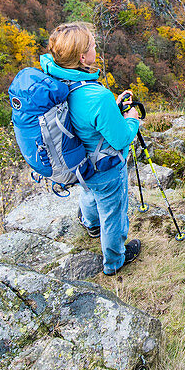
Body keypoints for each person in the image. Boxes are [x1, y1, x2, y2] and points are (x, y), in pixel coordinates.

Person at [42, 21, 142, 275]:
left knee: (88, 193)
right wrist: (131, 118)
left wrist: (113, 107)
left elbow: (85, 119)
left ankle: (90, 224)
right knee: (113, 214)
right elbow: (121, 139)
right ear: (83, 57)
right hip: (104, 167)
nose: (96, 49)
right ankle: (115, 261)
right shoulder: (96, 96)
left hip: (77, 161)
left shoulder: (55, 82)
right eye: (93, 46)